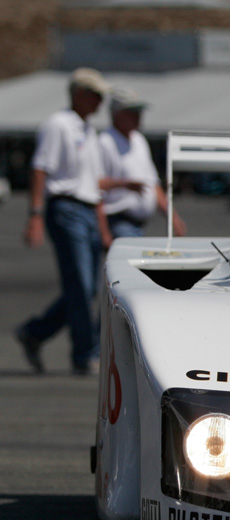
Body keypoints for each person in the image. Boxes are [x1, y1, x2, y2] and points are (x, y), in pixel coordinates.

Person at [15, 68, 112, 376]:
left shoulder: (87, 128)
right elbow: (41, 168)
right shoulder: (58, 125)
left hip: (86, 209)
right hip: (66, 208)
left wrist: (102, 225)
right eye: (95, 95)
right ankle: (85, 355)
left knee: (84, 288)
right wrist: (35, 215)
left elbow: (93, 182)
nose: (100, 102)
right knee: (81, 286)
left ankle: (36, 332)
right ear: (79, 94)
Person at [99, 87, 186, 238]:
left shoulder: (138, 140)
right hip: (117, 221)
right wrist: (104, 232)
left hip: (138, 224)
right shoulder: (104, 142)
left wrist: (172, 216)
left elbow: (152, 183)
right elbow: (95, 186)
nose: (138, 116)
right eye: (132, 112)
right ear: (117, 114)